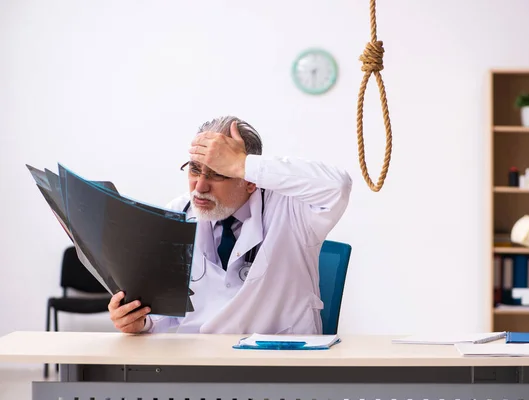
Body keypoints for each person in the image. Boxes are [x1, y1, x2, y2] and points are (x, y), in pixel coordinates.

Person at [108, 116, 352, 334]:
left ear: (250, 181)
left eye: (217, 173)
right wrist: (141, 321)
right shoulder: (177, 213)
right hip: (201, 363)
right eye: (194, 169)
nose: (200, 186)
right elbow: (163, 312)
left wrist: (243, 164)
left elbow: (337, 187)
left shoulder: (293, 209)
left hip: (280, 362)